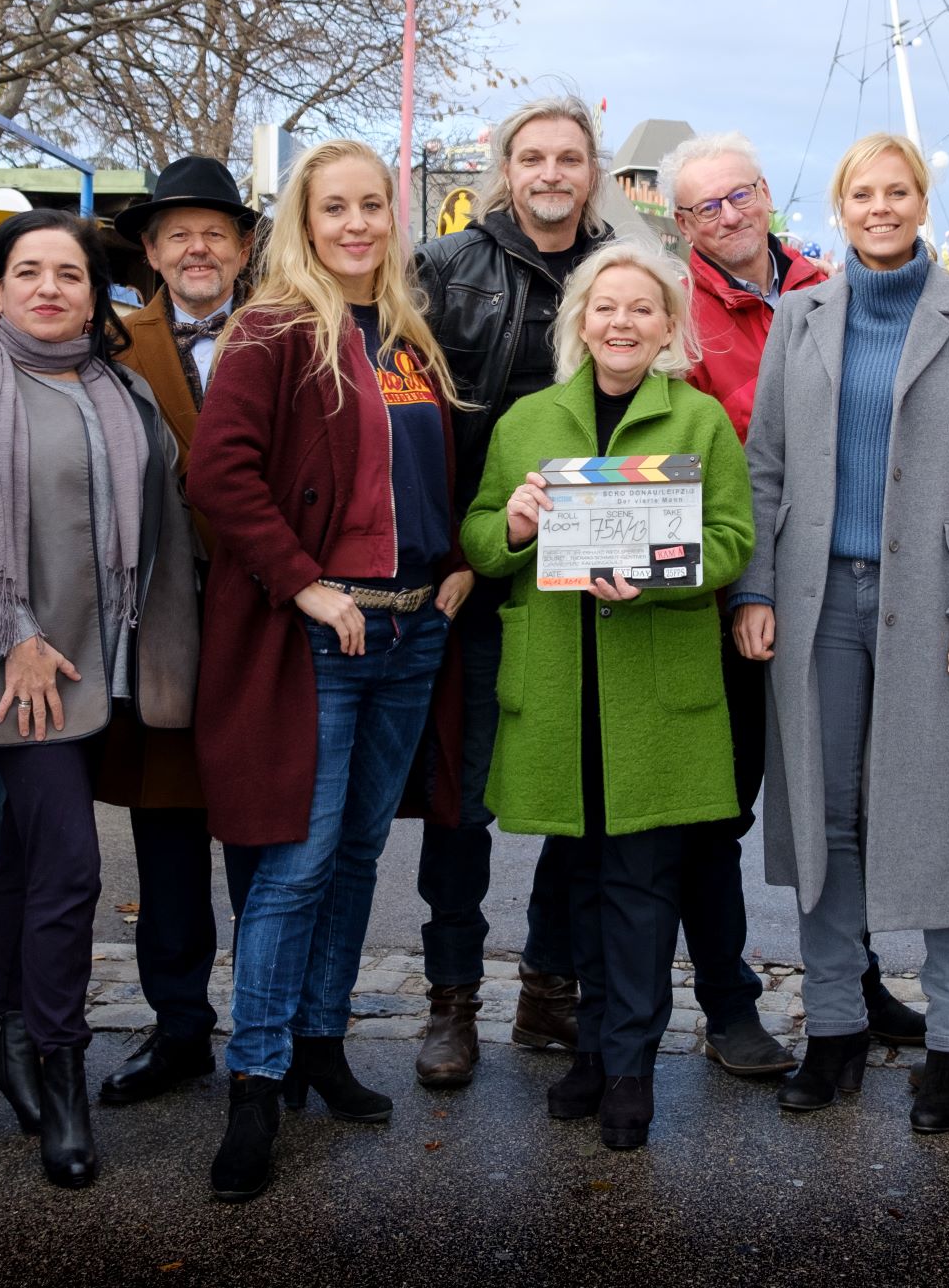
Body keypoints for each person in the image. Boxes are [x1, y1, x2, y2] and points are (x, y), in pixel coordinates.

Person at [192, 139, 472, 1202]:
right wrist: (304, 583)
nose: (355, 224)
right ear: (304, 221)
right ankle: (255, 1081)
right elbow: (217, 474)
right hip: (323, 635)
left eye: (371, 207)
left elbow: (425, 478)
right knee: (295, 864)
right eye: (334, 207)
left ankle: (319, 1044)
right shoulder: (271, 328)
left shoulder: (409, 333)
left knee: (356, 856)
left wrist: (455, 571)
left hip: (409, 632)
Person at [0, 208, 199, 1189]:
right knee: (70, 864)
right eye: (27, 271)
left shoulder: (124, 391)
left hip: (100, 670)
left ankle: (3, 1038)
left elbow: (166, 526)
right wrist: (13, 638)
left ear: (93, 291)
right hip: (13, 672)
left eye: (67, 274)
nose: (48, 288)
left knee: (31, 862)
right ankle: (62, 1074)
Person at [735, 132, 949, 1135]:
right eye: (864, 192)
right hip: (818, 607)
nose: (882, 206)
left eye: (899, 190)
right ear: (840, 205)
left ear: (920, 201)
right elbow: (764, 466)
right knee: (827, 818)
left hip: (934, 608)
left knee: (943, 818)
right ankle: (837, 1029)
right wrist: (755, 590)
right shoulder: (799, 318)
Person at [464, 242, 754, 1150]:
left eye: (641, 309)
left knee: (640, 885)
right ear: (578, 321)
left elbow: (734, 539)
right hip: (558, 683)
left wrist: (665, 571)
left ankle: (629, 1063)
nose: (621, 323)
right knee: (580, 880)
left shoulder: (698, 421)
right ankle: (587, 1048)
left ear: (669, 326)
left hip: (652, 684)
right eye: (605, 307)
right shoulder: (526, 420)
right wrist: (511, 522)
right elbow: (478, 538)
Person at [665, 131, 927, 1076]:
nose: (727, 216)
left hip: (843, 595)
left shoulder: (834, 284)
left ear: (767, 193)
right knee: (720, 812)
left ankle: (849, 980)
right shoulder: (673, 315)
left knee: (843, 801)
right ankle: (729, 999)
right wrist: (743, 583)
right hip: (730, 594)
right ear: (679, 224)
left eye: (738, 195)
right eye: (704, 208)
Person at [409, 95, 614, 1085]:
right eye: (531, 157)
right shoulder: (444, 270)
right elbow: (410, 426)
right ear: (504, 169)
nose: (549, 173)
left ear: (591, 169)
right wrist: (444, 551)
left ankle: (549, 983)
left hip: (590, 574)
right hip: (474, 567)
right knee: (464, 799)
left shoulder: (620, 273)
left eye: (567, 157)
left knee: (581, 795)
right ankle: (451, 1000)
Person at [93, 154, 262, 1109]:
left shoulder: (287, 334)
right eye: (177, 234)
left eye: (215, 232)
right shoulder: (109, 340)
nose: (197, 248)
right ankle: (178, 1026)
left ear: (242, 247)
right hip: (156, 624)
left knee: (265, 840)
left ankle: (272, 1028)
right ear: (152, 252)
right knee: (165, 844)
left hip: (261, 622)